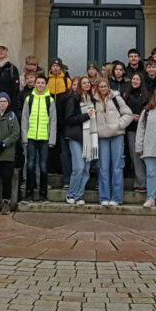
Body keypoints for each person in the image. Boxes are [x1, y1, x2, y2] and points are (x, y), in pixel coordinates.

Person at [94, 79, 133, 206]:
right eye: (101, 86)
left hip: (117, 136)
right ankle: (104, 197)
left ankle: (116, 198)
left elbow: (128, 114)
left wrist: (119, 125)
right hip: (102, 137)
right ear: (98, 88)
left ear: (108, 87)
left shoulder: (117, 98)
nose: (103, 88)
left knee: (117, 167)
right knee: (103, 167)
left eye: (105, 86)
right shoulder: (94, 100)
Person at [21, 74, 57, 202]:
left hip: (44, 138)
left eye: (43, 83)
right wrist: (24, 137)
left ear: (46, 85)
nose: (40, 85)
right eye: (38, 83)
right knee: (30, 165)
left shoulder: (50, 100)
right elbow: (24, 119)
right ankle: (29, 193)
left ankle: (43, 194)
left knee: (43, 166)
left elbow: (53, 120)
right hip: (31, 137)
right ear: (35, 84)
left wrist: (52, 139)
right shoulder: (29, 98)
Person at [63, 76, 98, 205]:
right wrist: (85, 116)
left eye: (88, 82)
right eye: (84, 83)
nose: (86, 84)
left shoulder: (92, 100)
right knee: (79, 167)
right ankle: (70, 194)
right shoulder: (73, 98)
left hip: (89, 138)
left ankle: (78, 196)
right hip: (76, 137)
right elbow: (69, 118)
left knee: (86, 169)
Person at [47, 57, 73, 189]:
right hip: (48, 122)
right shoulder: (46, 81)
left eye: (57, 66)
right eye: (53, 66)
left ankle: (66, 180)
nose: (55, 68)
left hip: (63, 122)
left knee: (65, 152)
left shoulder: (67, 81)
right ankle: (47, 179)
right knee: (48, 151)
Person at [124, 73, 148, 192]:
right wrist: (130, 117)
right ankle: (139, 181)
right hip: (131, 129)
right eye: (133, 79)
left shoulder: (146, 96)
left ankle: (142, 181)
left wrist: (141, 117)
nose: (135, 81)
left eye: (138, 79)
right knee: (135, 156)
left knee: (142, 155)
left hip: (144, 129)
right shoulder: (126, 96)